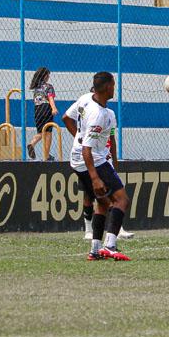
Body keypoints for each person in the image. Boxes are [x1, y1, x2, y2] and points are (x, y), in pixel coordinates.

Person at [69, 71, 131, 261]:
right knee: (121, 199)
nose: (115, 88)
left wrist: (78, 140)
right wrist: (95, 177)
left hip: (77, 160)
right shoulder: (99, 115)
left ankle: (95, 250)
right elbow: (88, 148)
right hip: (93, 159)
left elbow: (66, 117)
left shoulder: (85, 100)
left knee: (103, 202)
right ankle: (110, 245)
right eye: (113, 85)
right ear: (106, 88)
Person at [27, 67, 58, 161]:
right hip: (46, 108)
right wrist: (53, 108)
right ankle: (46, 156)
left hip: (37, 109)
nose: (49, 77)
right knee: (48, 132)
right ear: (44, 76)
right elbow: (50, 98)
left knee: (41, 132)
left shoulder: (36, 88)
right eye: (48, 75)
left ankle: (32, 143)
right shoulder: (48, 86)